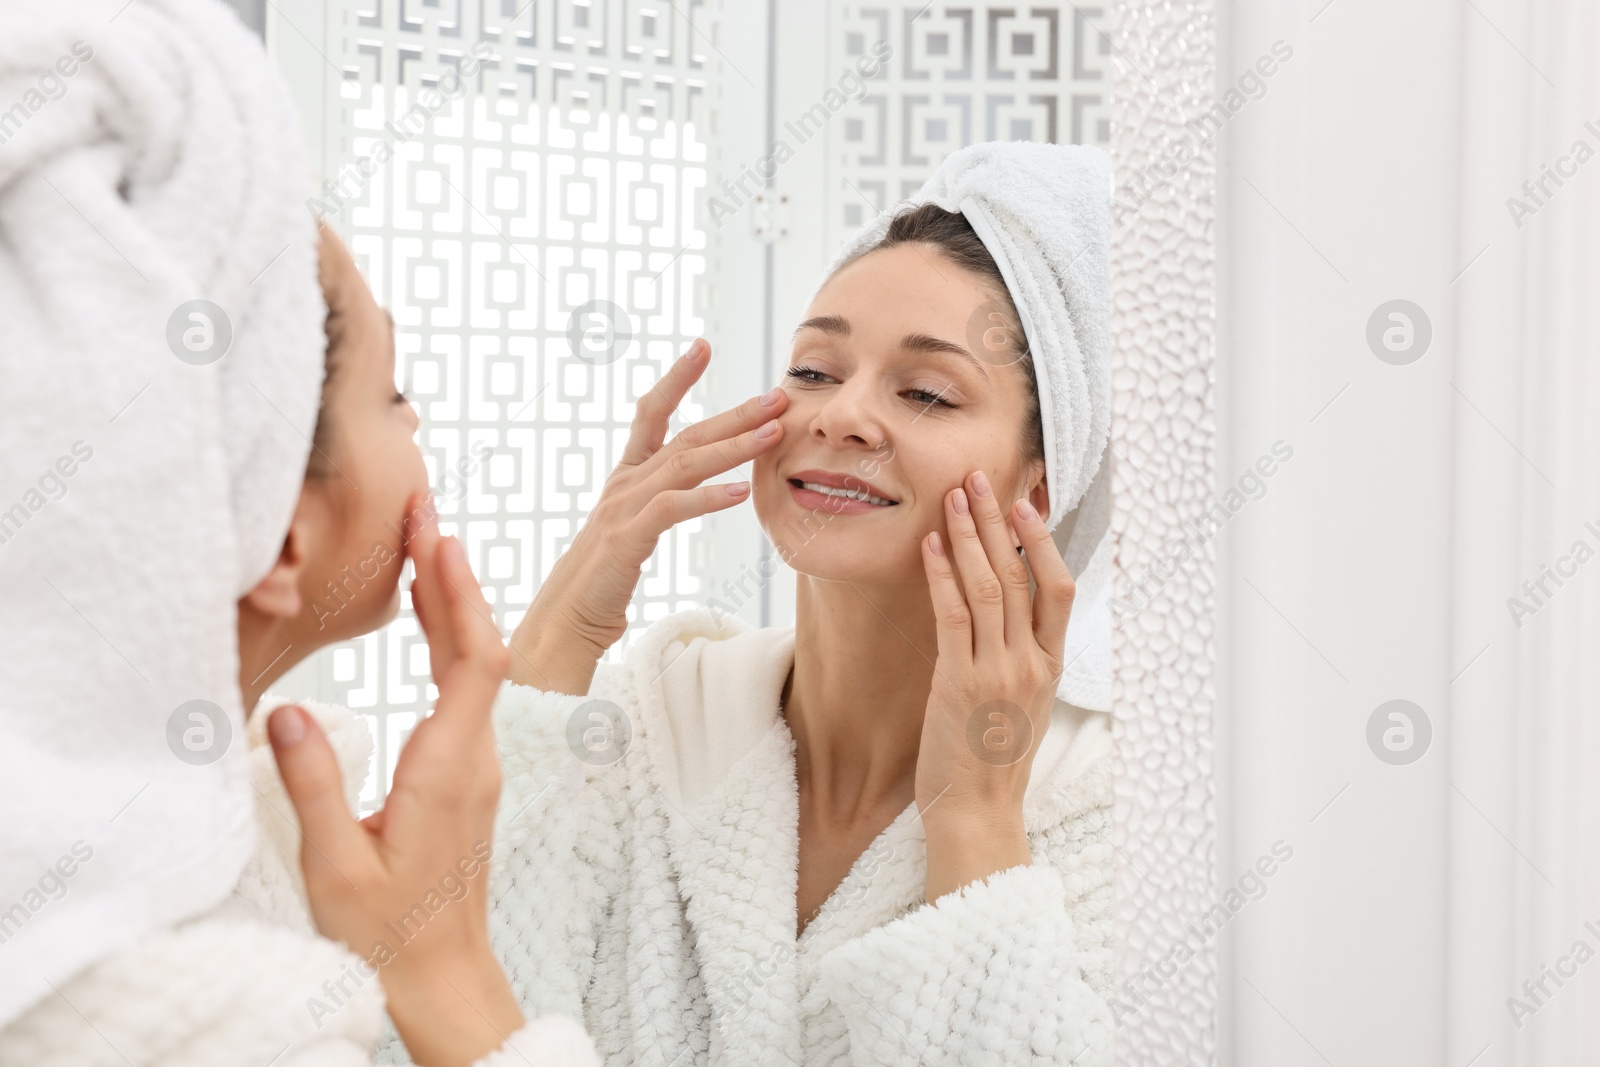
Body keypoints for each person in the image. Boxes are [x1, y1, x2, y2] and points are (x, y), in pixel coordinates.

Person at [0, 3, 594, 1063]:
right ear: (275, 530)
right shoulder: (220, 1024)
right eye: (392, 392)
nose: (418, 424)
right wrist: (448, 976)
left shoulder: (205, 847)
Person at [453, 141, 1112, 1065]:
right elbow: (443, 1012)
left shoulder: (1101, 803)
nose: (840, 415)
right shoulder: (655, 719)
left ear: (1035, 496)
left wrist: (974, 822)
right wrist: (566, 628)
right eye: (813, 370)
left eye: (926, 392)